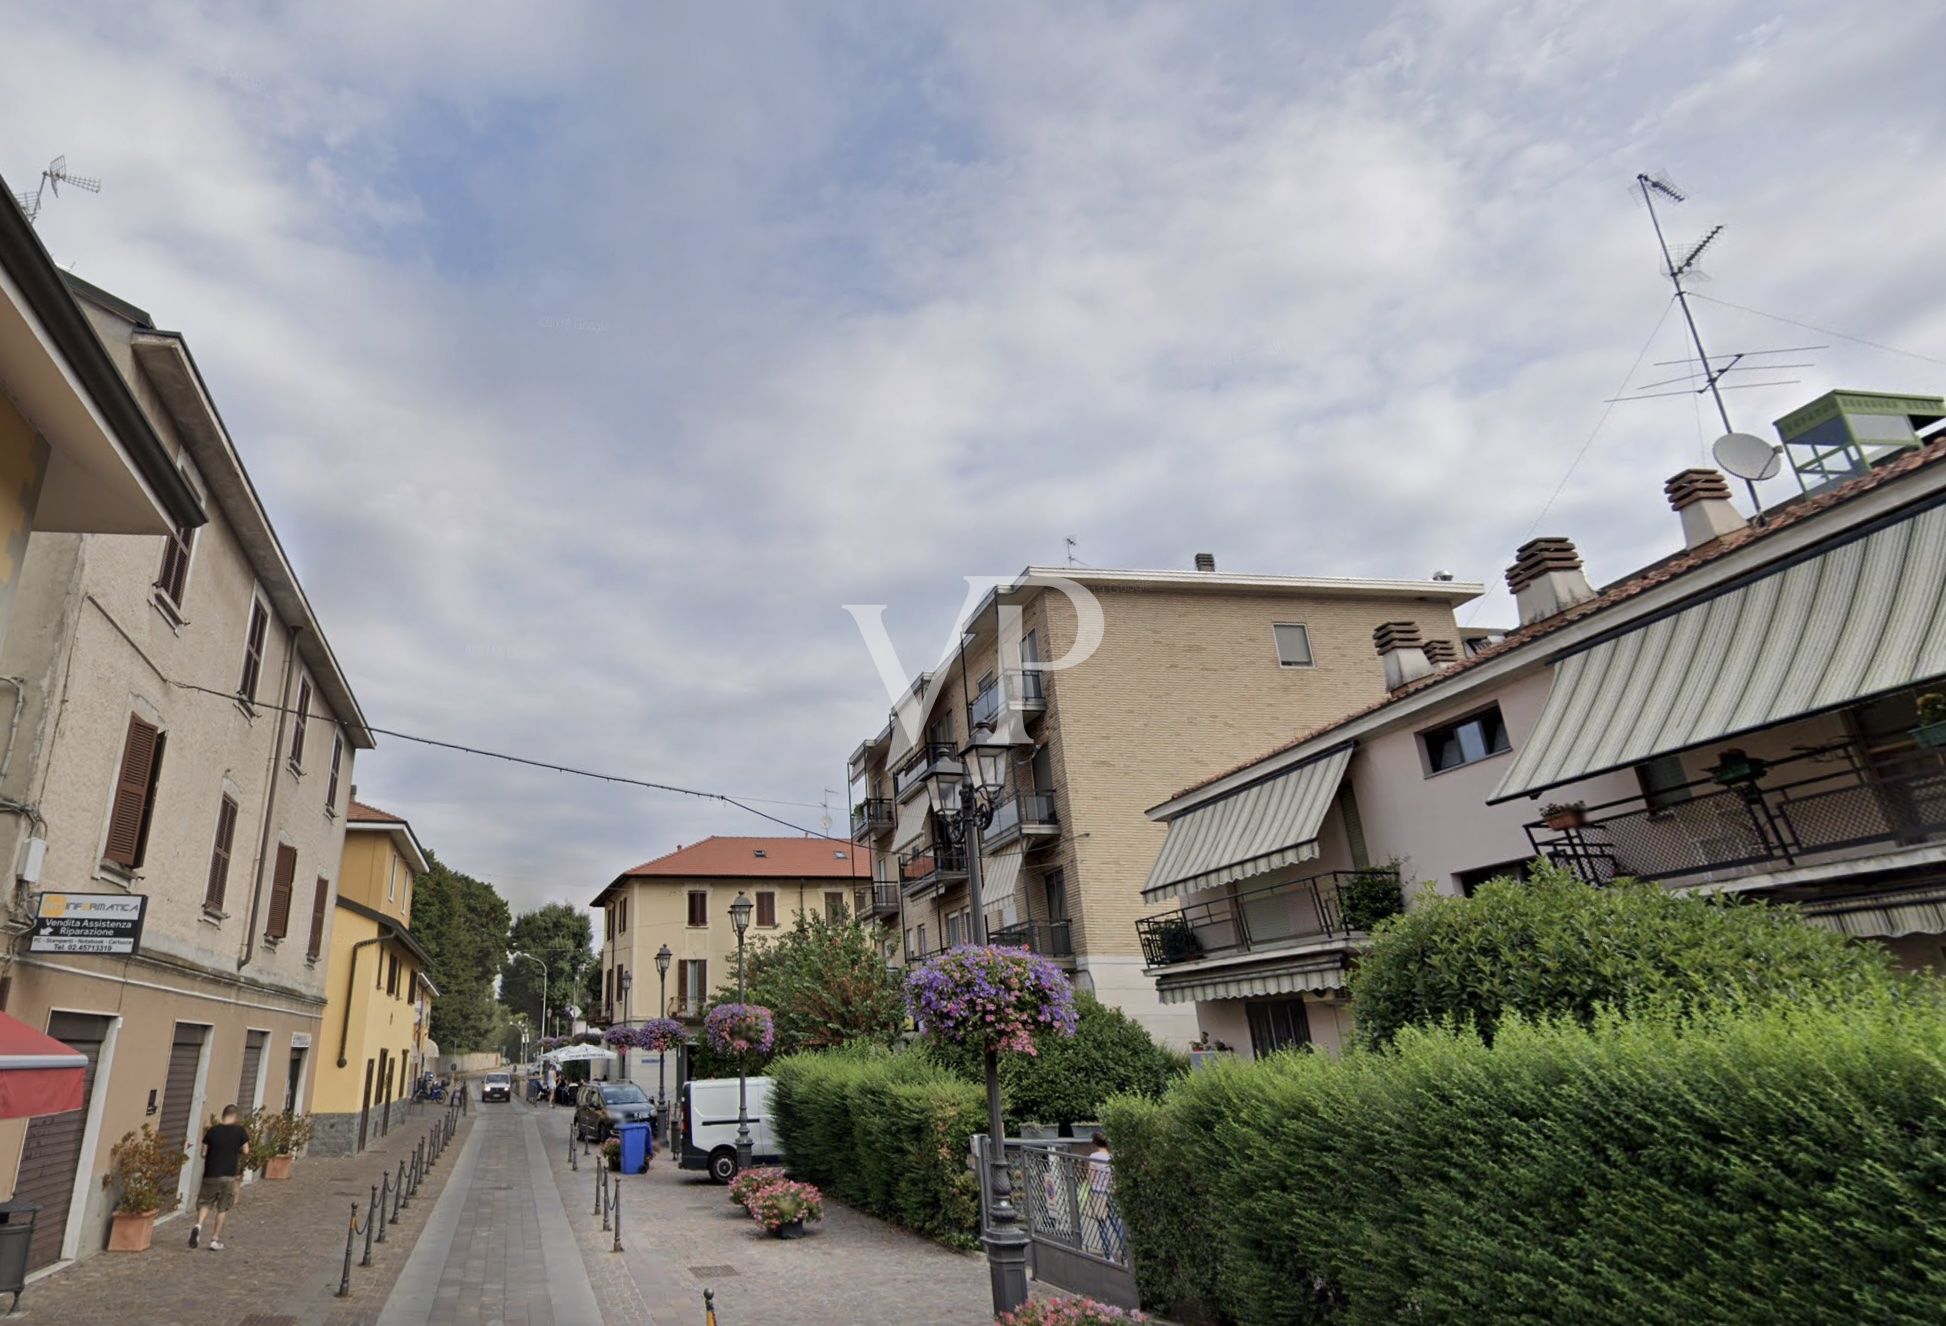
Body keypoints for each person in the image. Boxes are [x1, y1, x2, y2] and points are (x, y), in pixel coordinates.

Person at [190, 1105, 251, 1250]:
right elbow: (246, 1150)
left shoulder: (212, 1131)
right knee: (222, 1208)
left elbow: (203, 1153)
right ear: (235, 1116)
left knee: (205, 1203)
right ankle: (214, 1239)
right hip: (228, 1175)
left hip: (210, 1174)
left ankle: (198, 1226)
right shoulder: (240, 1131)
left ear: (223, 1115)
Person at [1087, 1131, 1125, 1261]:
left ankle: (1109, 1255)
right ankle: (1125, 1253)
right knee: (1116, 1223)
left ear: (1095, 1142)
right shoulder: (1111, 1157)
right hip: (1110, 1192)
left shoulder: (1093, 1156)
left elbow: (1090, 1177)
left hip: (1097, 1192)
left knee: (1102, 1224)